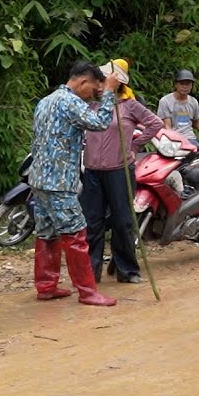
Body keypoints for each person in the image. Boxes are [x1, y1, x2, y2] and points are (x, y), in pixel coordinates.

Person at [29, 61, 122, 306]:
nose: (92, 95)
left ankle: (46, 286)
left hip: (39, 179)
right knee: (76, 234)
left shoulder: (46, 101)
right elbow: (100, 123)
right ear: (82, 82)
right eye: (92, 89)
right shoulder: (70, 102)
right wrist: (109, 92)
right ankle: (88, 292)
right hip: (59, 182)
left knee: (47, 232)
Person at [82, 59, 161, 284]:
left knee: (123, 221)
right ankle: (91, 272)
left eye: (104, 80)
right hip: (92, 172)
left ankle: (127, 270)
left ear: (116, 83)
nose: (100, 85)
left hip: (119, 171)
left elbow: (155, 124)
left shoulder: (129, 105)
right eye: (99, 80)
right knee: (92, 222)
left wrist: (135, 145)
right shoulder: (90, 105)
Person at [158, 69, 199, 141]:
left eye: (188, 84)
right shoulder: (165, 101)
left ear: (191, 86)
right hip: (173, 139)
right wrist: (173, 141)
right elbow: (167, 126)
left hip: (190, 138)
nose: (185, 86)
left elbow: (197, 122)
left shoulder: (193, 102)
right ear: (176, 84)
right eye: (182, 83)